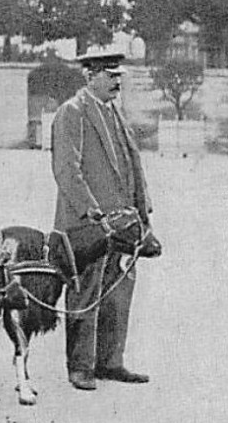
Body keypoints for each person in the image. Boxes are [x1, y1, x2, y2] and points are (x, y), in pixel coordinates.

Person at [51, 52, 156, 390]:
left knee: (118, 289)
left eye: (119, 75)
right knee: (85, 292)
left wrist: (143, 210)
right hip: (88, 226)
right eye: (110, 75)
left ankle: (110, 362)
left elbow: (132, 166)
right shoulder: (72, 112)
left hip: (123, 226)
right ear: (90, 76)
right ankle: (80, 367)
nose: (117, 81)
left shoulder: (114, 113)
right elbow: (67, 170)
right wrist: (91, 212)